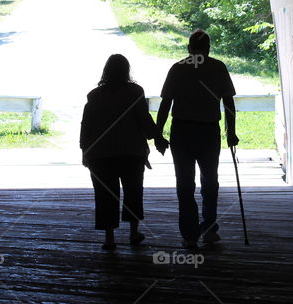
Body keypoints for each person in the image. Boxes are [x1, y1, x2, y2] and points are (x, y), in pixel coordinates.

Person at [156, 29, 238, 250]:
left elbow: (165, 103)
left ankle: (190, 235)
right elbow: (228, 103)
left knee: (184, 184)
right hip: (209, 132)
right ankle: (210, 229)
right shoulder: (218, 67)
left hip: (181, 131)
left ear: (188, 48)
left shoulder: (177, 68)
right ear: (208, 48)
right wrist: (231, 132)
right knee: (210, 182)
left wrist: (158, 133)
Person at [80, 54, 168, 250]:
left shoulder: (94, 96)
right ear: (127, 71)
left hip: (101, 155)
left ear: (106, 71)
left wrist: (84, 150)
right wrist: (158, 139)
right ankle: (133, 233)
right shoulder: (135, 92)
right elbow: (144, 119)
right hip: (132, 153)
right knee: (133, 191)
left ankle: (109, 238)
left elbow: (86, 126)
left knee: (105, 194)